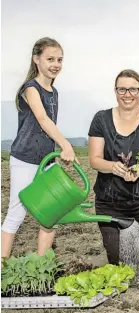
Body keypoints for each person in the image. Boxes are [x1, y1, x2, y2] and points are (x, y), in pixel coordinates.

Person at [1, 37, 78, 259]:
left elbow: (49, 126)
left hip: (47, 162)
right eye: (50, 59)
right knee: (16, 213)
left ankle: (42, 266)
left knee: (51, 215)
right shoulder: (30, 89)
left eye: (60, 60)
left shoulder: (54, 92)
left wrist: (60, 151)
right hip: (25, 159)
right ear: (37, 60)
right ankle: (2, 268)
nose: (56, 64)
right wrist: (65, 144)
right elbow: (43, 120)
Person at [88, 69, 139, 265]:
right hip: (109, 201)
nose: (128, 95)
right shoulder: (101, 119)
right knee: (118, 262)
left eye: (133, 89)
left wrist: (137, 169)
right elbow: (95, 159)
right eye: (122, 89)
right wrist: (112, 166)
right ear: (115, 92)